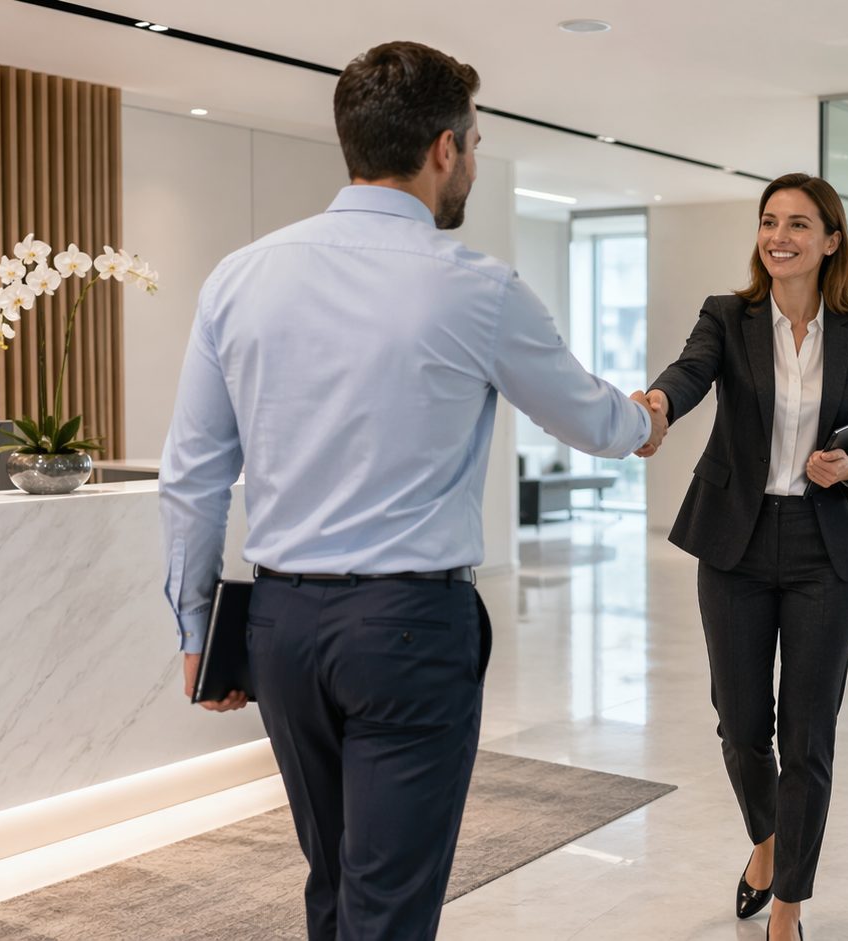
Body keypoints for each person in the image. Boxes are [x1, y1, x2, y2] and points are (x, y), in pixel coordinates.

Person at [158, 41, 665, 941]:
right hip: (407, 631)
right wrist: (647, 417)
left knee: (337, 879)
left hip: (279, 631)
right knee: (387, 902)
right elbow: (595, 422)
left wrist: (199, 628)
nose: (472, 159)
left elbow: (195, 473)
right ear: (443, 149)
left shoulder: (239, 278)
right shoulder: (474, 288)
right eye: (473, 141)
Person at [642, 173, 848, 940]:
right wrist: (655, 402)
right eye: (768, 221)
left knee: (807, 732)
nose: (778, 236)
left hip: (826, 550)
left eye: (796, 223)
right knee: (743, 723)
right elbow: (689, 373)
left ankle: (787, 905)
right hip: (736, 542)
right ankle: (769, 842)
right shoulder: (729, 315)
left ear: (831, 240)